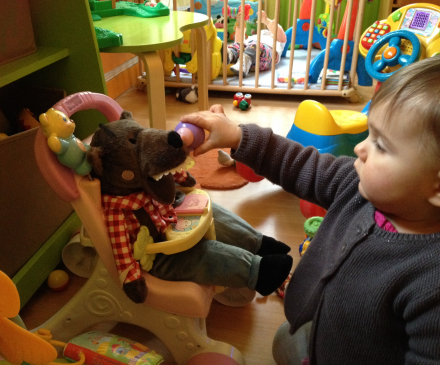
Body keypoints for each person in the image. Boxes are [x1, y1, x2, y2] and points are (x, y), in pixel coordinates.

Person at [180, 55, 440, 364]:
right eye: (369, 134)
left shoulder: (431, 285)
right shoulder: (358, 186)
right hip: (323, 328)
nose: (360, 148)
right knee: (285, 338)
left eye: (381, 145)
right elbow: (304, 164)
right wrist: (238, 135)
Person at [227, 10, 287, 77]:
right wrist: (240, 24)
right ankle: (230, 54)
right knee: (239, 45)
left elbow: (281, 35)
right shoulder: (253, 38)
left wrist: (266, 21)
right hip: (247, 58)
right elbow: (239, 43)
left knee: (256, 44)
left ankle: (243, 63)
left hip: (264, 58)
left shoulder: (278, 41)